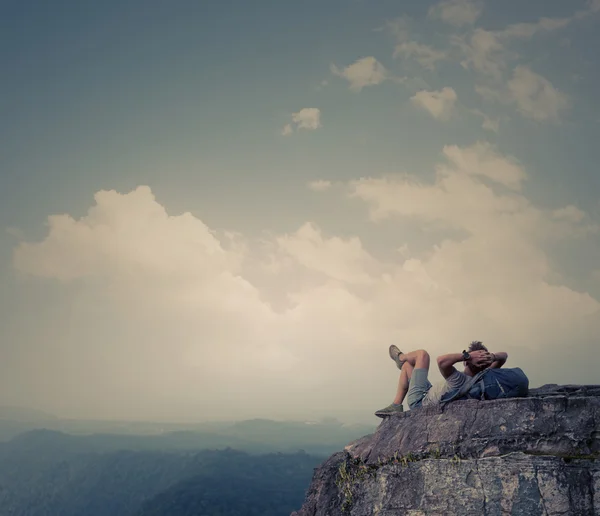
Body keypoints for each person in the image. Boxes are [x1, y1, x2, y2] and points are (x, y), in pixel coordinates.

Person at [375, 341, 508, 418]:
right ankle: (396, 405)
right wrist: (491, 357)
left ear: (465, 363)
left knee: (422, 355)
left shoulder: (458, 379)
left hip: (420, 400)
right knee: (408, 367)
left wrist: (467, 356)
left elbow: (441, 360)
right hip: (430, 392)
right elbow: (504, 356)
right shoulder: (483, 376)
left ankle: (401, 357)